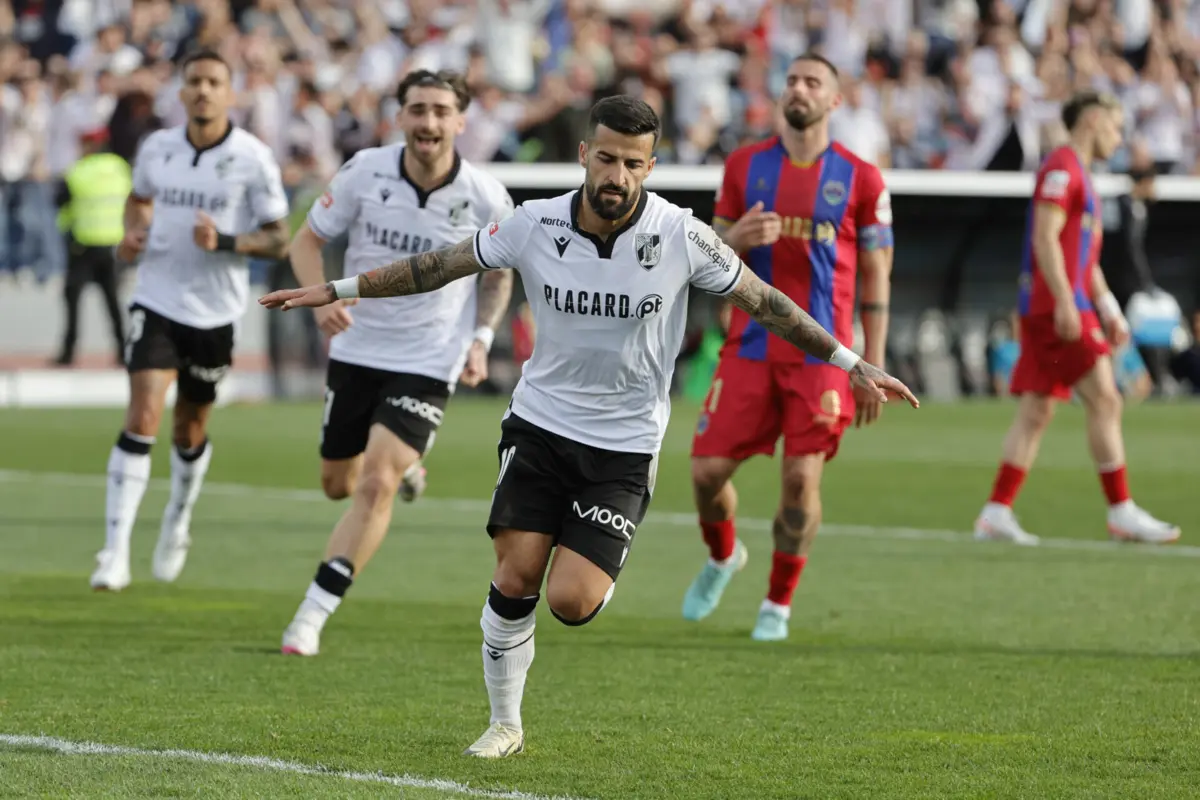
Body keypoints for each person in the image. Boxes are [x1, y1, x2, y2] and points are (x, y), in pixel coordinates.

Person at [260, 95, 919, 758]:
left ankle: (584, 574)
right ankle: (504, 724)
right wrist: (337, 289)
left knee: (571, 601)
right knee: (515, 575)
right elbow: (437, 266)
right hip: (539, 427)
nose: (617, 174)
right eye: (606, 158)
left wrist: (851, 360)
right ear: (584, 155)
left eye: (633, 163)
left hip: (625, 446)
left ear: (651, 167)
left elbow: (766, 301)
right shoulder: (534, 224)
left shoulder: (682, 235)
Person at [279, 70, 516, 657]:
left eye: (440, 111)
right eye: (417, 109)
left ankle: (311, 614)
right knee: (338, 484)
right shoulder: (364, 171)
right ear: (400, 117)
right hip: (357, 349)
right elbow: (303, 242)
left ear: (460, 122)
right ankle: (409, 467)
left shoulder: (486, 195)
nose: (428, 122)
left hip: (430, 357)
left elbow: (500, 272)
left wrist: (481, 338)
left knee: (375, 483)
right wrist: (321, 305)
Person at [679, 54, 895, 642]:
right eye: (792, 79)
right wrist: (733, 238)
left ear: (835, 100)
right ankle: (724, 556)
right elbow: (705, 256)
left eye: (812, 81)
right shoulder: (745, 166)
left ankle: (777, 603)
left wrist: (869, 360)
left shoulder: (862, 178)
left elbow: (877, 274)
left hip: (823, 357)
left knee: (801, 482)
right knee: (705, 472)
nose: (798, 88)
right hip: (750, 344)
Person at [90, 49, 291, 591]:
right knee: (143, 415)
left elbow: (278, 236)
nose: (203, 90)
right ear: (180, 92)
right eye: (194, 81)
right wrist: (133, 233)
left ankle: (178, 516)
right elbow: (139, 201)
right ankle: (113, 551)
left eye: (213, 81)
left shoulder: (252, 157)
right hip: (156, 298)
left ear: (230, 92)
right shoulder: (157, 148)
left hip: (216, 312)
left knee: (190, 427)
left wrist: (225, 241)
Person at [974, 90, 1179, 546]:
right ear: (1091, 119)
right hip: (1056, 307)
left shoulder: (1080, 174)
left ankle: (996, 512)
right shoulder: (1062, 168)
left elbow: (1085, 258)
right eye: (1115, 125)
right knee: (1106, 398)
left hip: (1061, 303)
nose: (1119, 137)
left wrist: (1107, 307)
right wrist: (1068, 300)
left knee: (1037, 410)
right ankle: (1121, 510)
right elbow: (1046, 239)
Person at [53, 127, 130, 367]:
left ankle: (68, 352)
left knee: (72, 300)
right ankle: (122, 351)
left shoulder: (78, 170)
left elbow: (61, 203)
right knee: (113, 302)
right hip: (113, 245)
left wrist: (65, 228)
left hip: (83, 244)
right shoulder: (120, 168)